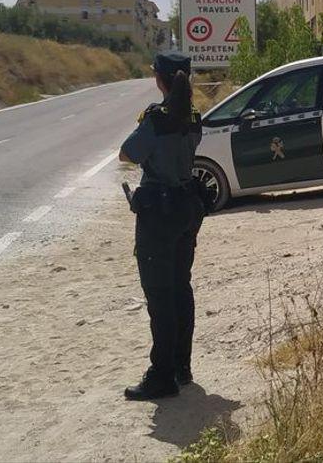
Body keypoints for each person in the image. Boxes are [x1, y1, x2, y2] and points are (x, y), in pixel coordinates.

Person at [118, 50, 206, 400]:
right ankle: (182, 367)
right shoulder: (194, 116)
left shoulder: (156, 118)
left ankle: (162, 375)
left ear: (160, 80)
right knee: (180, 288)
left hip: (159, 212)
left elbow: (127, 154)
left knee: (160, 295)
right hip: (187, 206)